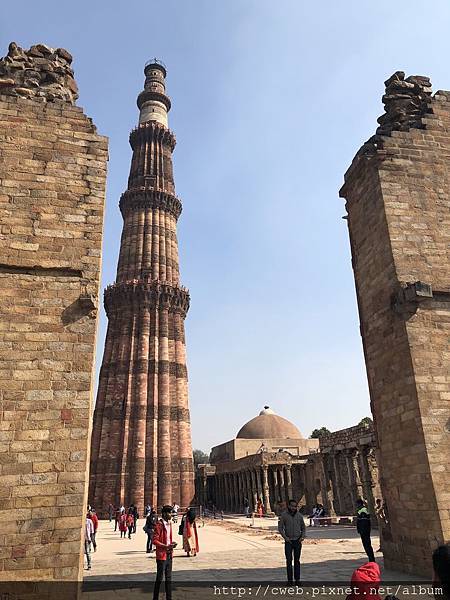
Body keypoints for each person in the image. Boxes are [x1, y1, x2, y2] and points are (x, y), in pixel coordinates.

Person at [152, 505, 178, 600]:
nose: (171, 514)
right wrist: (165, 546)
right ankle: (155, 598)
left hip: (169, 554)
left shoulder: (169, 524)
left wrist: (171, 544)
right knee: (159, 578)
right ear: (164, 514)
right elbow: (154, 540)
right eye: (169, 513)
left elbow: (167, 539)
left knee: (169, 578)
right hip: (162, 555)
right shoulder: (159, 524)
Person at [278, 499, 306, 585]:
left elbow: (303, 527)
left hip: (297, 540)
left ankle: (297, 580)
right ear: (288, 506)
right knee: (289, 560)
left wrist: (302, 536)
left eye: (295, 506)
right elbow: (280, 528)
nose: (293, 508)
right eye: (292, 506)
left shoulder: (299, 516)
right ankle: (290, 580)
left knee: (297, 561)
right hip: (288, 541)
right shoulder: (284, 515)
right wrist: (285, 537)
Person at [356, 498, 375, 563]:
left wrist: (362, 530)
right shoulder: (361, 510)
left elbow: (364, 522)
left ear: (359, 504)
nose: (357, 506)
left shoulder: (363, 510)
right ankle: (371, 559)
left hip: (364, 531)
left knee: (367, 545)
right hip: (364, 530)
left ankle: (371, 559)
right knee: (366, 545)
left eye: (357, 504)